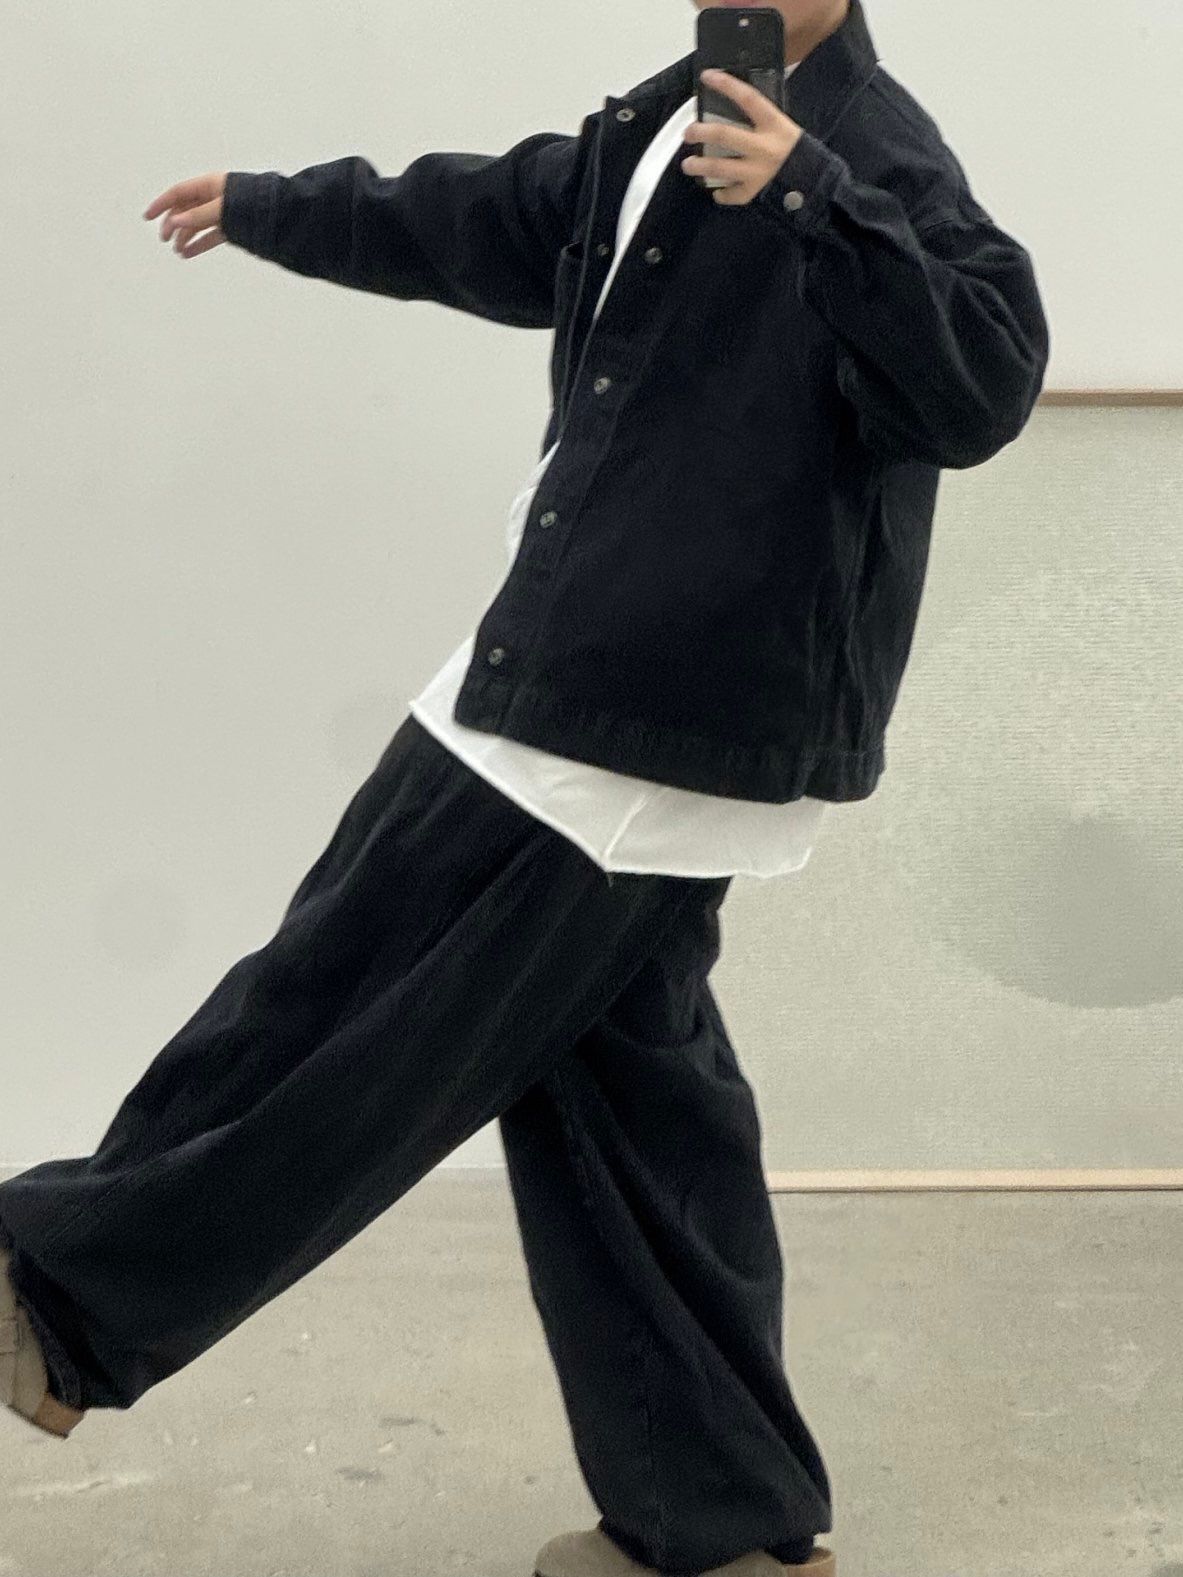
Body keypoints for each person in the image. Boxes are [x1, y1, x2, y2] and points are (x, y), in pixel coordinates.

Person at [1, 3, 1049, 1575]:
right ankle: (725, 1526)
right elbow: (495, 215)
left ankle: (49, 1294)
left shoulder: (875, 156)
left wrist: (816, 198)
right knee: (631, 1115)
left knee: (343, 988)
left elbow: (984, 381)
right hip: (608, 694)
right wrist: (275, 207)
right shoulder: (670, 117)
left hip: (634, 717)